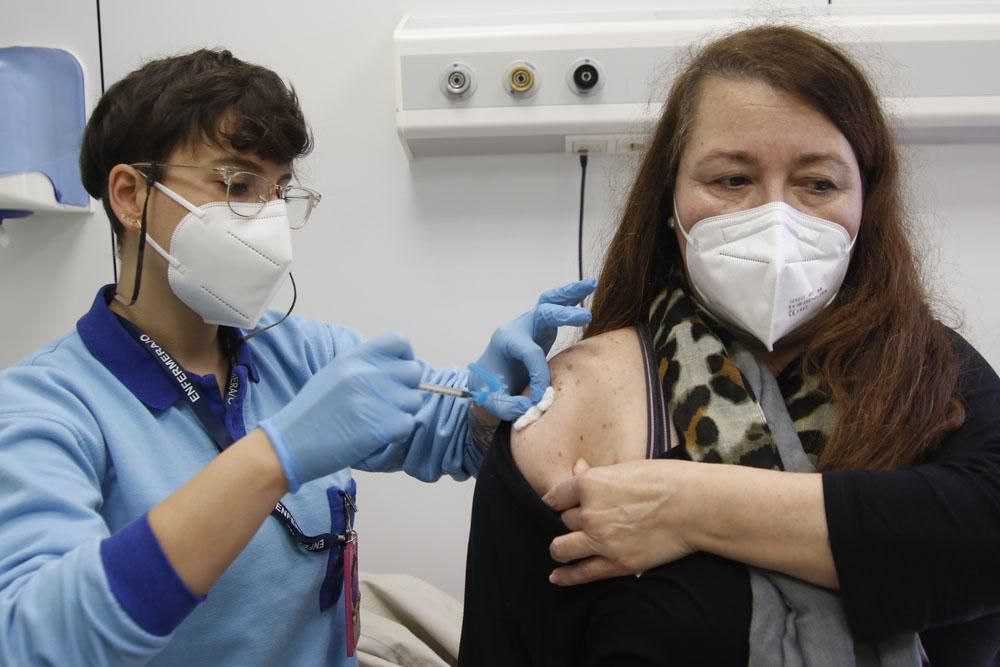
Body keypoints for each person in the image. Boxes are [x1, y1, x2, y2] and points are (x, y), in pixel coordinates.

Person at [0, 49, 595, 666]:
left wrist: (486, 397)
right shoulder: (45, 410)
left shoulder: (292, 349)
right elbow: (36, 642)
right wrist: (271, 458)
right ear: (130, 196)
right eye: (235, 184)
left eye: (278, 191)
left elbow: (450, 433)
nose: (266, 218)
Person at [459, 25, 1000, 666]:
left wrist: (690, 505)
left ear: (867, 204)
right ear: (670, 203)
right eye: (731, 180)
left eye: (818, 184)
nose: (777, 219)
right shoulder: (577, 402)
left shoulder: (930, 373)